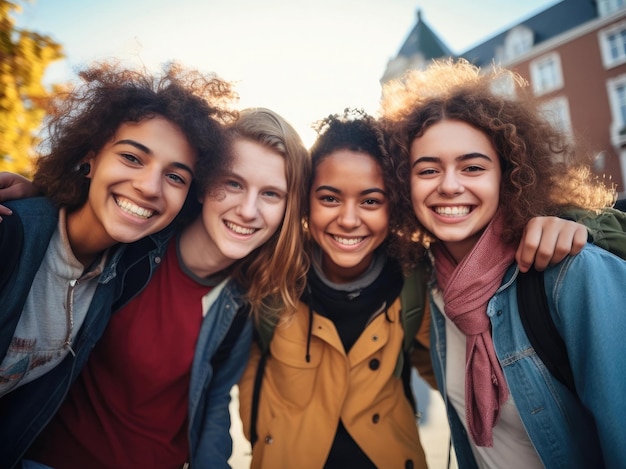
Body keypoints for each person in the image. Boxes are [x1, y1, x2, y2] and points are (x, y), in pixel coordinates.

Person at [236, 109, 592, 469]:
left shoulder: (415, 282)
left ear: (396, 206)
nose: (348, 219)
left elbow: (447, 366)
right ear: (305, 202)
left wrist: (573, 221)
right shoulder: (270, 272)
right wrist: (261, 432)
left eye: (371, 201)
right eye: (329, 198)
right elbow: (245, 361)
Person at [19, 107, 311, 469]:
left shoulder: (246, 303)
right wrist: (38, 198)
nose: (248, 210)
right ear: (203, 186)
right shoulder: (130, 246)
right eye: (233, 183)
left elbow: (214, 405)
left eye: (271, 194)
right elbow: (78, 222)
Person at [381, 59, 626, 468]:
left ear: (507, 175)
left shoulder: (573, 273)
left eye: (472, 167)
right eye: (428, 170)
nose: (450, 185)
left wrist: (585, 224)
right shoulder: (432, 289)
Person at [0, 61, 237, 467]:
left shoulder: (124, 270)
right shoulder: (9, 235)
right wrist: (34, 204)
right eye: (132, 157)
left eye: (176, 177)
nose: (149, 187)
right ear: (89, 158)